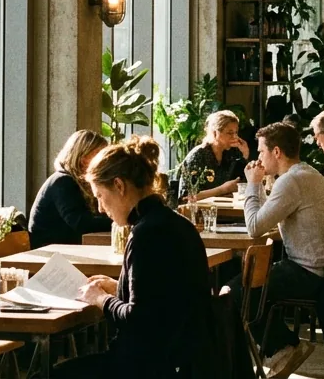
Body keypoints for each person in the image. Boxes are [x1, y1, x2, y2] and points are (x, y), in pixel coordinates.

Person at [57, 137, 210, 378]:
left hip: (146, 368)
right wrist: (119, 288)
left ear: (119, 186)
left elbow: (139, 321)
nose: (99, 208)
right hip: (186, 361)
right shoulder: (176, 224)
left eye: (99, 196)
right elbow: (164, 297)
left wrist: (101, 299)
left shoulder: (147, 234)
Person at [231, 122, 324, 378]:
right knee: (248, 286)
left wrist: (252, 184)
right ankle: (281, 348)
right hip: (323, 267)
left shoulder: (291, 181)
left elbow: (254, 226)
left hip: (310, 272)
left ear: (277, 152)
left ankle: (283, 349)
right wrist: (258, 186)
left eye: (261, 152)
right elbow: (263, 218)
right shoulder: (304, 174)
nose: (258, 157)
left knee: (236, 292)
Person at [28, 130, 112, 248]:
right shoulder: (62, 182)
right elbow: (81, 223)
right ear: (83, 158)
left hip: (63, 250)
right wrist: (119, 220)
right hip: (51, 256)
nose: (105, 161)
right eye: (99, 155)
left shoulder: (72, 181)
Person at [176, 110, 250, 202]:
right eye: (230, 133)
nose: (235, 137)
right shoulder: (198, 156)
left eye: (236, 132)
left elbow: (241, 183)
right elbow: (186, 197)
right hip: (198, 212)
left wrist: (245, 154)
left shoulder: (230, 154)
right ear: (215, 133)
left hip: (224, 209)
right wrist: (223, 189)